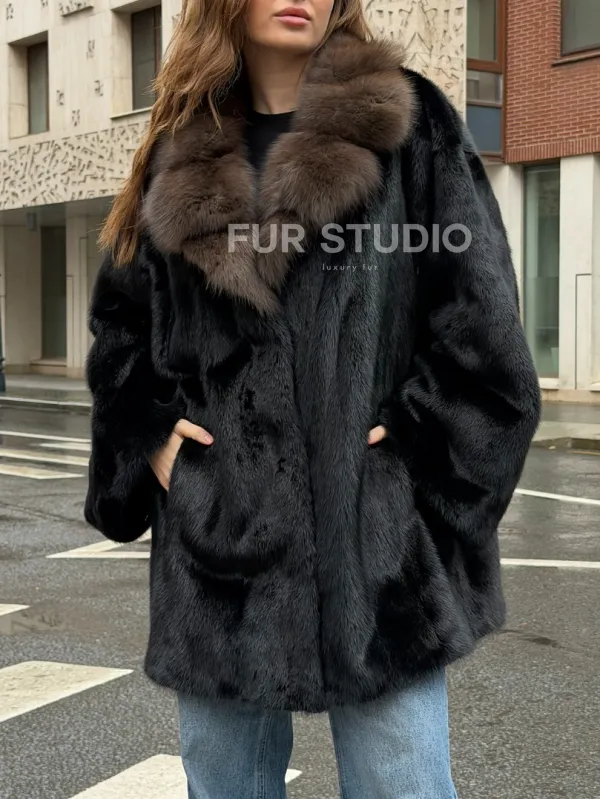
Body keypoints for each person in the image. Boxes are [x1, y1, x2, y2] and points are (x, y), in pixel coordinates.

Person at [84, 0, 541, 796]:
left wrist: (414, 454)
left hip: (377, 556)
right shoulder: (178, 151)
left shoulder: (405, 124)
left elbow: (483, 328)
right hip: (220, 556)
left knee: (404, 784)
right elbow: (123, 324)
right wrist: (149, 436)